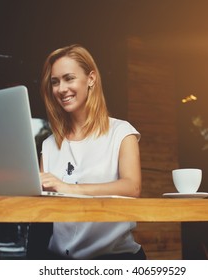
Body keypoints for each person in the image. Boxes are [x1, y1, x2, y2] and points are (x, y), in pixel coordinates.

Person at [38, 44, 145, 260]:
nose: (61, 89)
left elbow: (132, 187)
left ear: (91, 79)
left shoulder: (121, 132)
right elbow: (40, 205)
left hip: (115, 261)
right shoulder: (49, 145)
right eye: (55, 82)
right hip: (60, 263)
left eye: (69, 78)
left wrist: (68, 188)